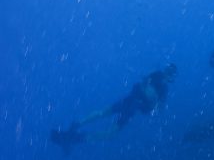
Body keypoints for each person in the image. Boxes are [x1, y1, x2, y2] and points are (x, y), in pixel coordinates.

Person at [49, 64, 177, 152]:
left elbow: (156, 106)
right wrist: (150, 98)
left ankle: (75, 131)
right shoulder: (158, 79)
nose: (167, 72)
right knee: (107, 126)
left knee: (104, 119)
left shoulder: (162, 87)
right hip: (132, 104)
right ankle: (75, 134)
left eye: (169, 71)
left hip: (131, 104)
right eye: (168, 69)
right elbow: (146, 90)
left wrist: (151, 100)